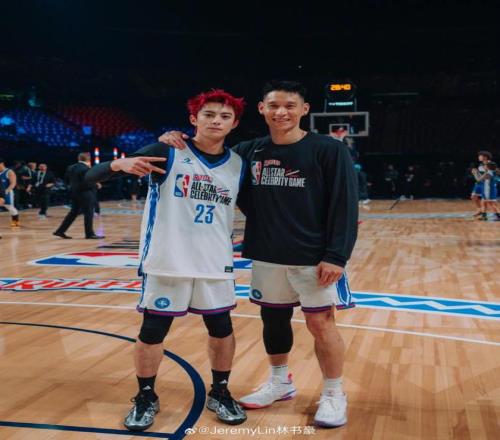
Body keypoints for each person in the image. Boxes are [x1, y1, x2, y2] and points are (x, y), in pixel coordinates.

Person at [160, 80, 358, 428]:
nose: (281, 112)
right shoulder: (249, 151)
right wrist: (174, 138)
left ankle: (333, 392)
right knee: (273, 320)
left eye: (290, 106)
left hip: (314, 256)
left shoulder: (329, 150)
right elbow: (210, 155)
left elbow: (345, 204)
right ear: (262, 109)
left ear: (304, 110)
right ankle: (280, 382)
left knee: (321, 323)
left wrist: (337, 255)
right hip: (267, 253)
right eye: (274, 105)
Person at [85, 90, 248, 431]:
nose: (216, 121)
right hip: (167, 260)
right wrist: (117, 164)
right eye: (208, 114)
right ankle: (146, 395)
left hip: (215, 263)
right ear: (193, 119)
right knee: (152, 332)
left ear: (234, 124)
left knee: (222, 329)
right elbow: (89, 177)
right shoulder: (167, 150)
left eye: (225, 116)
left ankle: (220, 391)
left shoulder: (238, 164)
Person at [53, 152, 103, 239]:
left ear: (79, 158)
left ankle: (60, 231)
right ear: (88, 159)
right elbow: (87, 181)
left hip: (74, 192)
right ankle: (89, 234)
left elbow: (66, 180)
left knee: (73, 212)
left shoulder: (70, 167)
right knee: (88, 213)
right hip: (85, 192)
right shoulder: (86, 168)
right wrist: (96, 185)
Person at [0, 158, 21, 227]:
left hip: (7, 192)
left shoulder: (9, 172)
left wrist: (6, 191)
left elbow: (13, 184)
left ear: (2, 164)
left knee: (10, 207)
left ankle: (15, 221)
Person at [470, 151, 492, 217]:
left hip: (486, 184)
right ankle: (479, 210)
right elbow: (479, 178)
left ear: (485, 157)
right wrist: (475, 173)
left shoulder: (490, 164)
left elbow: (488, 176)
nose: (478, 157)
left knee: (484, 200)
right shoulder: (481, 165)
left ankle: (484, 213)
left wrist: (476, 175)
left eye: (480, 156)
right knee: (473, 196)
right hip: (480, 183)